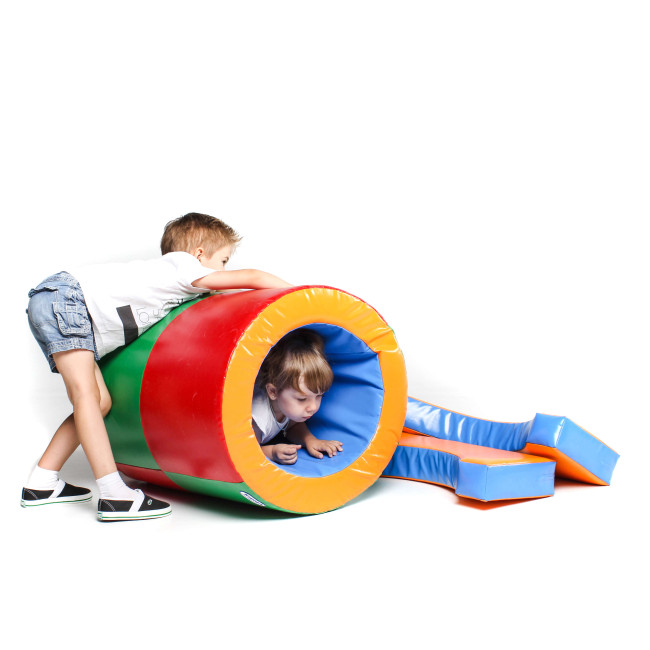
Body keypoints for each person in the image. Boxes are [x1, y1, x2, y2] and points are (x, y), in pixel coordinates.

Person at [23, 212, 292, 521]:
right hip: (68, 299)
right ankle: (115, 494)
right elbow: (254, 277)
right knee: (85, 396)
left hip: (59, 302)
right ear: (199, 254)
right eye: (223, 261)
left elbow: (219, 292)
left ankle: (42, 481)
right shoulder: (184, 267)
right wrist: (299, 297)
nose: (223, 272)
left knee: (100, 402)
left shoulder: (165, 278)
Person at [252, 328, 343, 464]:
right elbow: (241, 450)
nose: (313, 407)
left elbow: (292, 425)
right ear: (273, 392)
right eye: (302, 399)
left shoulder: (287, 406)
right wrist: (271, 452)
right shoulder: (258, 420)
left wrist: (310, 440)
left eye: (320, 396)